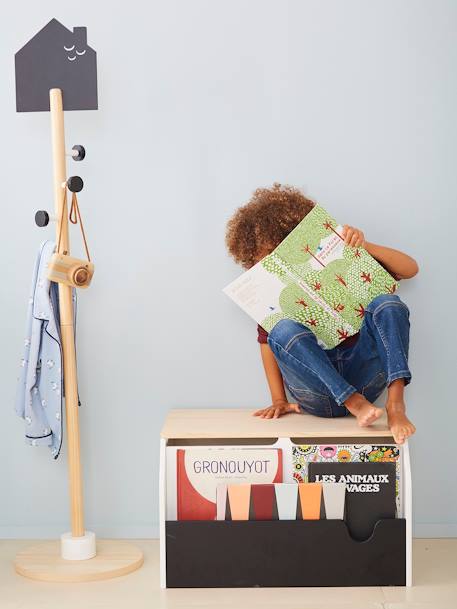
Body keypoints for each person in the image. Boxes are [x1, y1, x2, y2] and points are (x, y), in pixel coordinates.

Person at [225, 184, 418, 444]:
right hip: (314, 392)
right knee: (281, 329)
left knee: (388, 304)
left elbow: (411, 268)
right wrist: (278, 400)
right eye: (264, 258)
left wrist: (364, 245)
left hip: (365, 379)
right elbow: (268, 345)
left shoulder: (345, 255)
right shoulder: (268, 290)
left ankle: (396, 405)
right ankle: (352, 402)